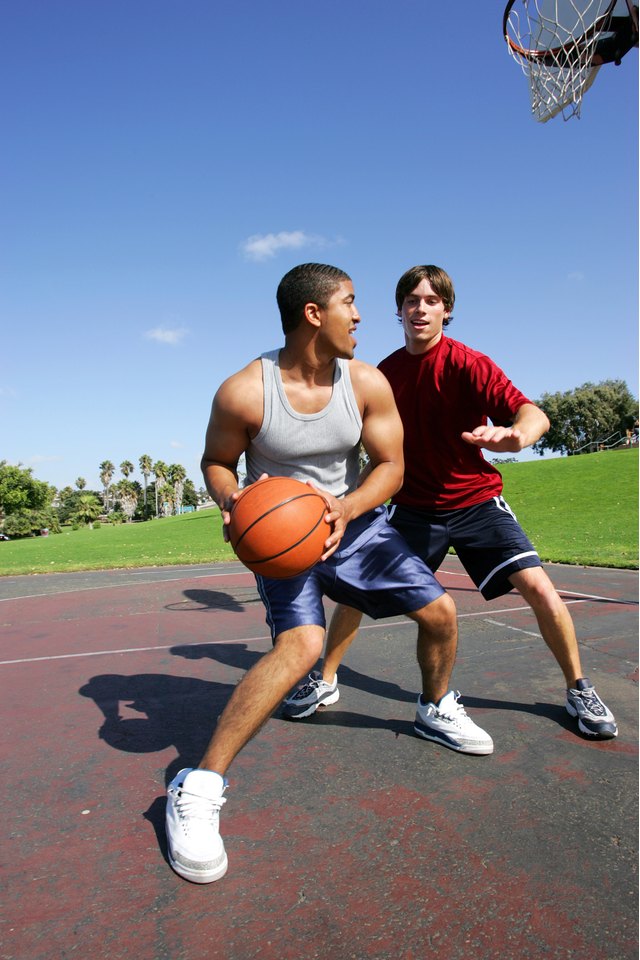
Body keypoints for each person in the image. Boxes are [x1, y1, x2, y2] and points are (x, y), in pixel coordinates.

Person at [165, 263, 491, 885]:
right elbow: (215, 461)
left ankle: (434, 706)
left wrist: (345, 507)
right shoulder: (243, 391)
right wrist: (234, 502)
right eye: (350, 303)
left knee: (441, 613)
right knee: (303, 646)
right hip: (283, 540)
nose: (361, 316)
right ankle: (198, 786)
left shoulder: (365, 382)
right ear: (314, 314)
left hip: (353, 523)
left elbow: (391, 465)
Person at [283, 264, 618, 746]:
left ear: (447, 310)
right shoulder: (385, 373)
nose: (421, 309)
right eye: (411, 301)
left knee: (540, 588)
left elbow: (532, 412)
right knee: (355, 594)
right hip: (415, 508)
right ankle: (327, 678)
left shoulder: (468, 363)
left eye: (431, 301)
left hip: (476, 501)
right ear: (398, 310)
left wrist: (517, 434)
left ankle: (578, 688)